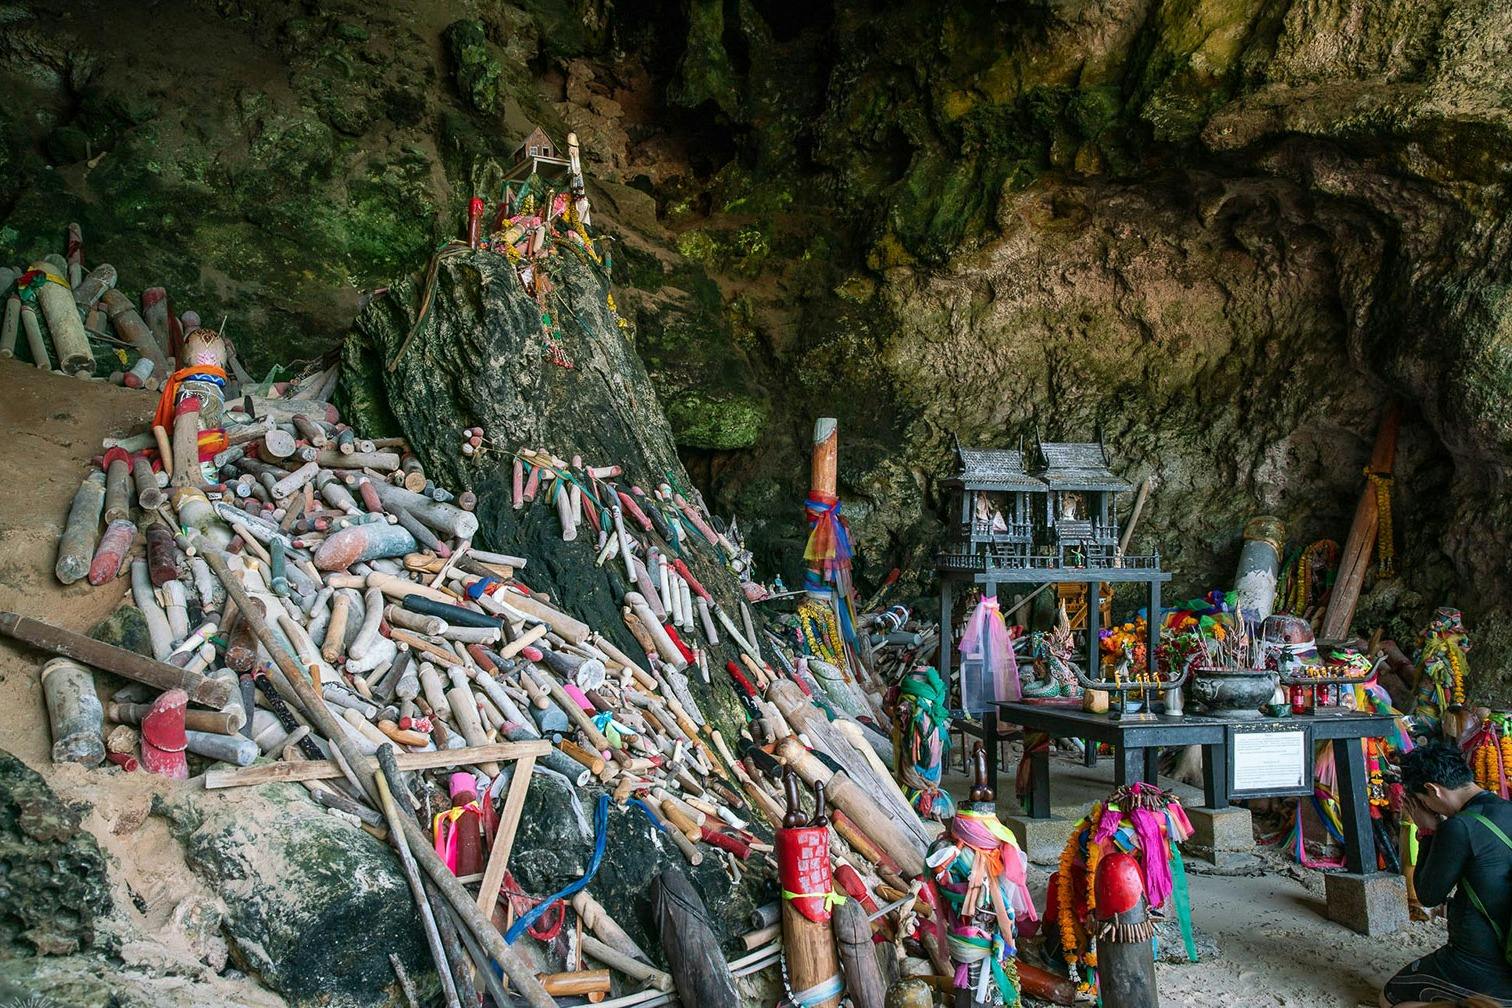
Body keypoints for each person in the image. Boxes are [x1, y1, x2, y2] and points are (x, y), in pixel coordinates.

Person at [1382, 741, 1512, 1007]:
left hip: (1478, 961)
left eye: (1420, 801)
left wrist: (1428, 832)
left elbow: (1428, 895)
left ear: (1432, 790)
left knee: (1390, 999)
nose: (1422, 807)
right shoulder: (1506, 808)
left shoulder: (1459, 828)